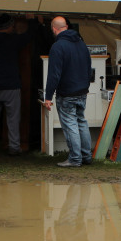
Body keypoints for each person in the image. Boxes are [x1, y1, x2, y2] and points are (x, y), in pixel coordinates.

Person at [42, 17, 94, 167]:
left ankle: (75, 159)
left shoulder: (58, 47)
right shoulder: (81, 43)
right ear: (66, 26)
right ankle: (86, 156)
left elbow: (54, 74)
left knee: (70, 123)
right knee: (81, 121)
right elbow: (88, 68)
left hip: (67, 92)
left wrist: (48, 96)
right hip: (82, 91)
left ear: (54, 28)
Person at [0, 14, 33, 156]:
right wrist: (32, 21)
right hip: (11, 85)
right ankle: (14, 147)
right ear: (10, 25)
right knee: (13, 119)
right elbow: (29, 36)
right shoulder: (14, 40)